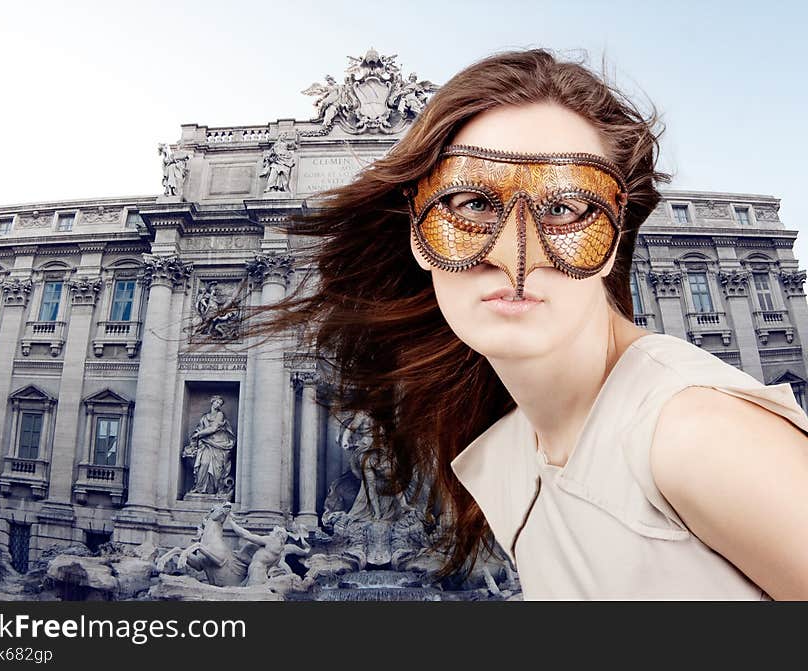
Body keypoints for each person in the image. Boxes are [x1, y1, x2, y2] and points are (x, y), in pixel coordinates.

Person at [239, 48, 808, 599]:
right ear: (418, 233)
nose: (515, 253)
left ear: (613, 238)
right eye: (471, 204)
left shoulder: (695, 433)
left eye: (562, 208)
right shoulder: (509, 448)